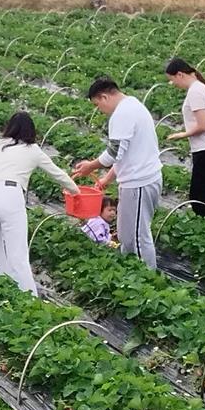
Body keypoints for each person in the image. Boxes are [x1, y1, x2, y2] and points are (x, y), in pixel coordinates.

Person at [0, 112, 80, 295]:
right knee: (18, 255)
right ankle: (29, 300)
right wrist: (76, 191)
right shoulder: (33, 150)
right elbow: (57, 173)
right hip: (11, 196)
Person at [71, 78, 161, 270]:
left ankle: (147, 279)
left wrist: (91, 166)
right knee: (127, 234)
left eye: (98, 105)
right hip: (140, 180)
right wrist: (106, 179)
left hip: (139, 183)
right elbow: (125, 154)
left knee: (137, 237)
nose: (100, 110)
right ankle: (130, 274)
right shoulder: (133, 105)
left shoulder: (122, 114)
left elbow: (114, 152)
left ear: (104, 97)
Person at [164, 57, 205, 223]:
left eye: (172, 80)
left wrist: (181, 135)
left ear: (180, 74)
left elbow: (202, 125)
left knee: (198, 199)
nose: (174, 85)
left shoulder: (195, 92)